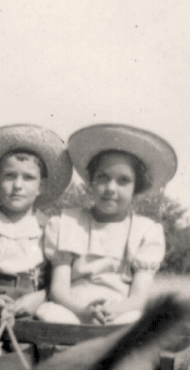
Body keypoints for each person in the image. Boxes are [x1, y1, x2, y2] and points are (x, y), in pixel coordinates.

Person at [35, 124, 177, 325]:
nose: (110, 188)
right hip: (72, 310)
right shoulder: (67, 224)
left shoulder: (146, 231)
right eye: (102, 177)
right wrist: (83, 312)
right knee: (51, 316)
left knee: (134, 323)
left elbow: (138, 298)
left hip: (121, 310)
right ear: (91, 181)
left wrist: (111, 310)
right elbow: (59, 290)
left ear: (137, 187)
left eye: (123, 181)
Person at [0, 124, 72, 318]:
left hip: (31, 307)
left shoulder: (49, 228)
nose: (18, 185)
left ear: (41, 185)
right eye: (10, 176)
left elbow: (58, 282)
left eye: (28, 178)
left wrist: (40, 298)